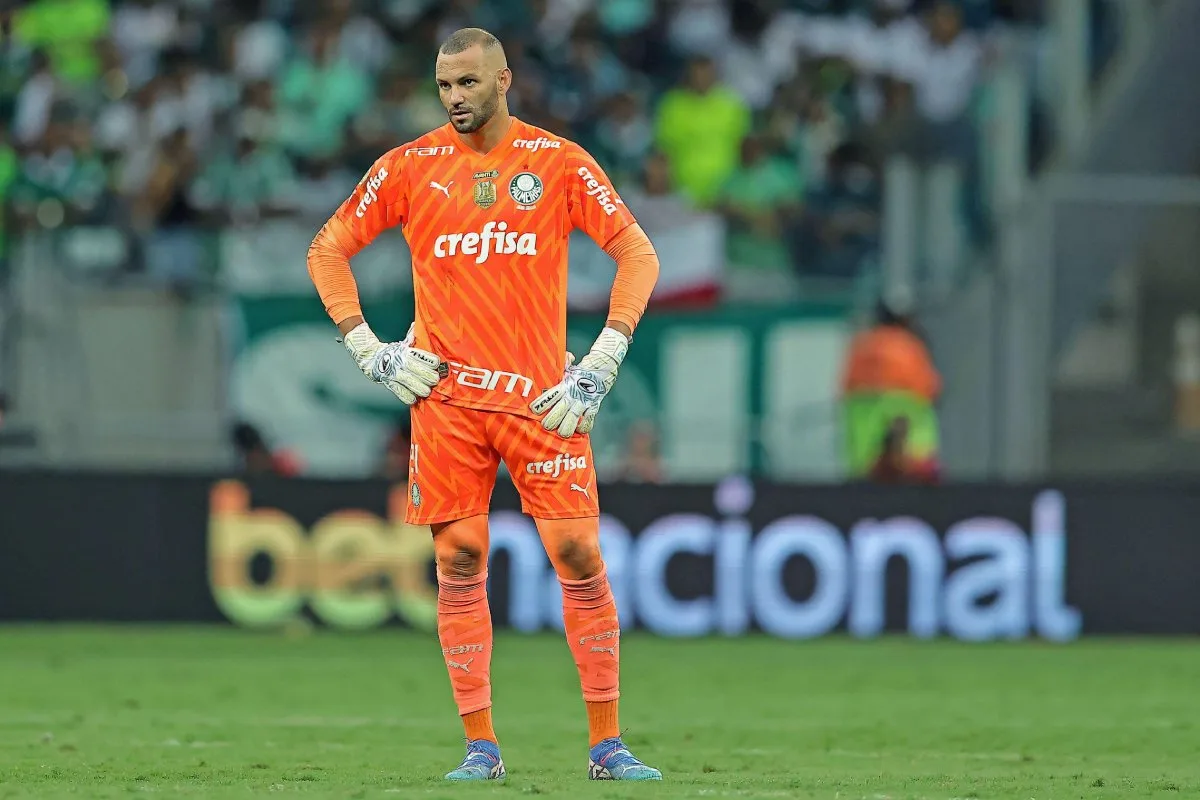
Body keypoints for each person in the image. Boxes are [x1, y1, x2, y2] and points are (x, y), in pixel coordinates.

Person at [306, 28, 662, 783]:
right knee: (459, 560)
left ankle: (607, 745)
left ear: (505, 79)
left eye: (468, 83)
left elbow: (638, 252)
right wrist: (369, 348)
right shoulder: (409, 166)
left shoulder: (558, 162)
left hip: (542, 398)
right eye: (444, 87)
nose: (456, 98)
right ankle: (481, 748)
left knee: (578, 554)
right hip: (445, 400)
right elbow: (326, 248)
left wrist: (603, 357)